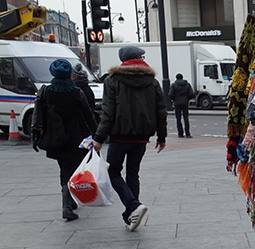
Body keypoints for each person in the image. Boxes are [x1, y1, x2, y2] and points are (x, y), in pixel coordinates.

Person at [89, 45, 167, 231]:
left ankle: (133, 206)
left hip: (119, 136)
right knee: (133, 174)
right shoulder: (152, 81)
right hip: (141, 137)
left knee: (112, 172)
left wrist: (99, 138)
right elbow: (161, 111)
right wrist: (161, 137)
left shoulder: (113, 80)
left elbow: (108, 112)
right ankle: (130, 215)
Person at [31, 59, 98, 221]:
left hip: (54, 138)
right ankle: (67, 205)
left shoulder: (45, 92)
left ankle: (69, 200)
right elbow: (88, 115)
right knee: (70, 168)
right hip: (75, 138)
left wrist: (35, 137)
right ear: (69, 74)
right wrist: (97, 136)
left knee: (64, 167)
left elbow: (37, 116)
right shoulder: (76, 92)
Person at [169, 73, 194, 138]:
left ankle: (180, 133)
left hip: (177, 102)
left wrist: (174, 99)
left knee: (178, 118)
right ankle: (187, 133)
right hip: (185, 102)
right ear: (182, 78)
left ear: (176, 78)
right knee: (186, 118)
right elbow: (191, 94)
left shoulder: (174, 85)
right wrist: (187, 98)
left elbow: (170, 94)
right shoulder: (187, 85)